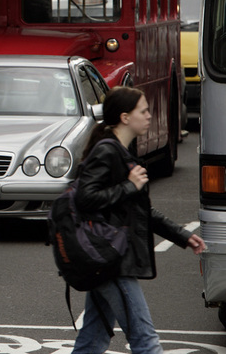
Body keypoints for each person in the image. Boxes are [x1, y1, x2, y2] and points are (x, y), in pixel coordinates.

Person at [71, 86, 205, 354]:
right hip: (113, 260)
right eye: (143, 111)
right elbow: (84, 198)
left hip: (108, 257)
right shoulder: (107, 152)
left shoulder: (119, 151)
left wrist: (181, 235)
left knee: (93, 339)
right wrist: (129, 187)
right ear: (124, 117)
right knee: (145, 340)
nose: (149, 116)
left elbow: (138, 211)